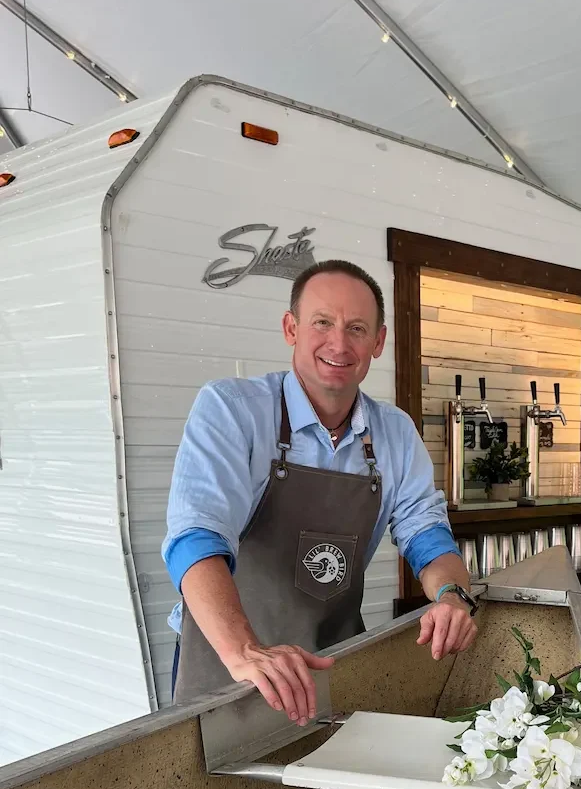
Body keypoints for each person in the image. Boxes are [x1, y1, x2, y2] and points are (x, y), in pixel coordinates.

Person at [163, 259, 478, 723]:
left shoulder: (394, 432)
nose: (339, 343)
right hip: (228, 661)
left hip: (332, 662)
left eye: (356, 328)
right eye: (322, 323)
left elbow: (426, 533)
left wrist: (452, 596)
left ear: (378, 341)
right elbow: (195, 538)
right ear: (291, 328)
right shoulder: (231, 409)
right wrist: (246, 651)